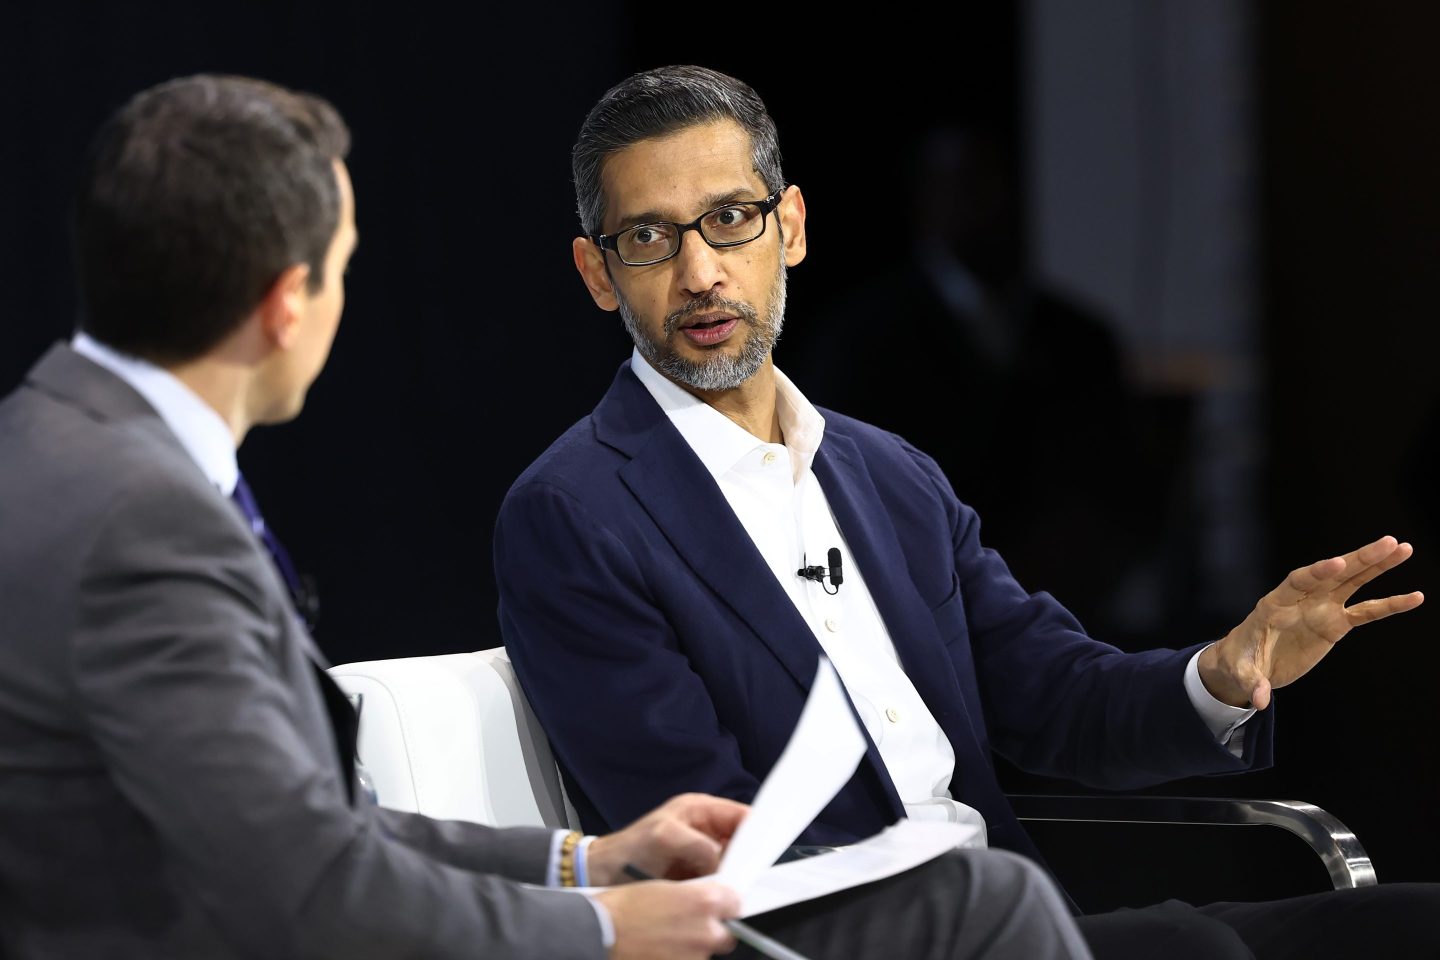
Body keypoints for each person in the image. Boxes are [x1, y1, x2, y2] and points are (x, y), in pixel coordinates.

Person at [0, 74, 1091, 960]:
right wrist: (599, 927)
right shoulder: (147, 522)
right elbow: (307, 890)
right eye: (342, 272)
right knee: (986, 907)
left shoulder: (51, 446)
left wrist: (584, 865)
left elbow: (304, 835)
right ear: (291, 303)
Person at [494, 64, 1440, 959]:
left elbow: (1059, 700)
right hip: (848, 939)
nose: (700, 271)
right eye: (652, 237)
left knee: (1407, 926)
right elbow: (703, 844)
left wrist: (1224, 673)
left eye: (730, 219)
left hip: (1020, 918)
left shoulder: (888, 474)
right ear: (597, 271)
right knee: (1191, 951)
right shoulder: (575, 514)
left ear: (790, 227)